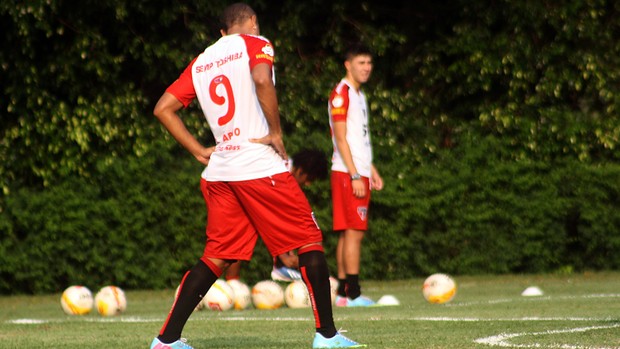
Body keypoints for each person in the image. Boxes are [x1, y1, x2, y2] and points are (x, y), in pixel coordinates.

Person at [150, 3, 365, 349]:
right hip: (258, 165)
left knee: (216, 255)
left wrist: (195, 149)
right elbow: (262, 78)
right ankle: (327, 337)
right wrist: (276, 132)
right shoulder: (255, 41)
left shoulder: (202, 60)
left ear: (221, 32)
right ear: (251, 22)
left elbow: (163, 107)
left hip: (220, 170)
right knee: (309, 240)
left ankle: (166, 341)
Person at [328, 44, 384, 308]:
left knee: (347, 232)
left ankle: (341, 293)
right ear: (347, 64)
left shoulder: (359, 95)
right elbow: (340, 138)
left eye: (369, 63)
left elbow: (358, 138)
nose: (366, 68)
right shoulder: (342, 94)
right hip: (347, 172)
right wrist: (354, 175)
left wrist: (370, 170)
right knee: (354, 233)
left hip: (358, 170)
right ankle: (353, 293)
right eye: (361, 62)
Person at [224, 149, 329, 282]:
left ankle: (233, 281)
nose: (308, 184)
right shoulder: (280, 175)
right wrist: (284, 257)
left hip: (234, 182)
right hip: (228, 185)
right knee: (240, 232)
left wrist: (288, 253)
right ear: (300, 170)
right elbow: (264, 216)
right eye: (310, 179)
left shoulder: (284, 169)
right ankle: (231, 282)